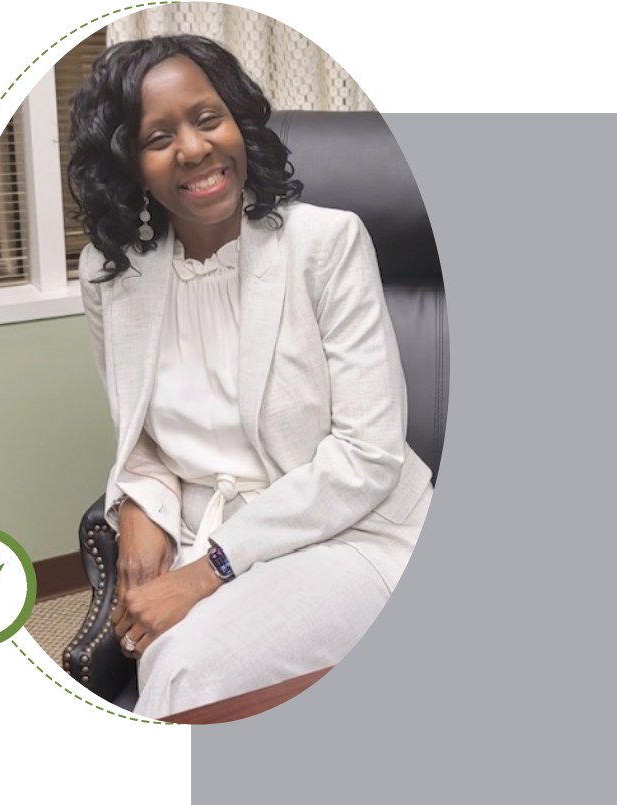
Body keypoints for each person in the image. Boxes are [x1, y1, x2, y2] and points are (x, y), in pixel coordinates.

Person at [68, 34, 434, 721]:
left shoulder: (326, 244)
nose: (194, 148)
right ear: (128, 165)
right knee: (168, 654)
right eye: (157, 136)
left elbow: (367, 456)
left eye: (208, 119)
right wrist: (142, 506)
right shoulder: (108, 275)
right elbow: (138, 432)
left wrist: (209, 570)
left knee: (185, 667)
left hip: (341, 529)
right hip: (198, 527)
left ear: (237, 123)